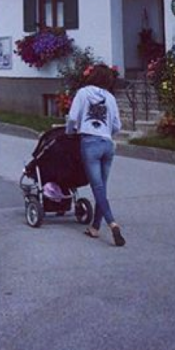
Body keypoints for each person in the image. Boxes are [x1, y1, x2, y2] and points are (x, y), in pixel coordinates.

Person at [66, 63, 125, 246]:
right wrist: (106, 131)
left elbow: (73, 118)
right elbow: (117, 126)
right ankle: (95, 227)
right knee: (102, 188)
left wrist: (70, 132)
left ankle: (112, 224)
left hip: (90, 143)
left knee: (97, 188)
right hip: (107, 144)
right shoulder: (110, 97)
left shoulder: (83, 93)